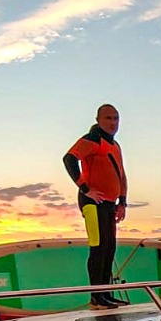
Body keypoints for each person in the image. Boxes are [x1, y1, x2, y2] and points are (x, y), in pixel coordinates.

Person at [63, 103, 128, 309]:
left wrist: (122, 201)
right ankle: (96, 297)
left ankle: (106, 294)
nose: (113, 123)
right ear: (98, 119)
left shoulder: (114, 145)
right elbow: (69, 159)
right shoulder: (92, 140)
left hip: (110, 203)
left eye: (116, 118)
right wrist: (84, 188)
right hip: (93, 202)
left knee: (110, 248)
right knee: (98, 248)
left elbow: (121, 174)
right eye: (108, 118)